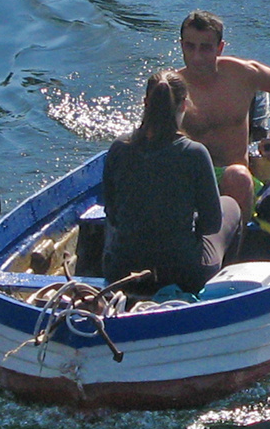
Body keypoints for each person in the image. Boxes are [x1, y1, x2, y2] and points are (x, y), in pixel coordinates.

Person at [101, 70, 242, 296]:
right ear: (184, 105)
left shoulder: (119, 147)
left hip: (121, 273)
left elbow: (113, 213)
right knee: (230, 206)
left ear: (146, 102)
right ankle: (218, 295)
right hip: (183, 274)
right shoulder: (194, 153)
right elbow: (211, 224)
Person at [177, 9, 270, 218]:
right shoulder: (172, 86)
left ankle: (236, 244)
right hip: (192, 180)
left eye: (206, 48)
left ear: (220, 48)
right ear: (182, 45)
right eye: (190, 47)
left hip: (237, 179)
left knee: (236, 176)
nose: (197, 57)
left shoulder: (241, 74)